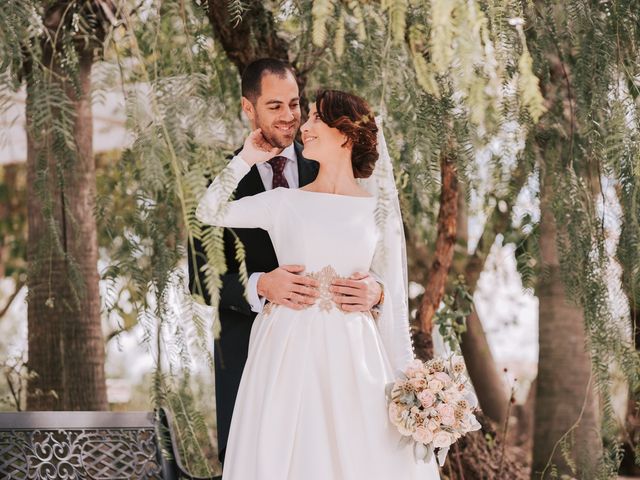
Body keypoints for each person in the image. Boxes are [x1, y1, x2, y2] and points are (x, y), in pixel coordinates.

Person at [196, 89, 440, 479]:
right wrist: (246, 158)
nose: (302, 127)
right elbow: (208, 210)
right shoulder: (283, 201)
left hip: (355, 350)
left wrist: (376, 293)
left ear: (345, 135)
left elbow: (390, 287)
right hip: (286, 346)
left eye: (314, 119)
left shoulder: (377, 213)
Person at [187, 59, 384, 469]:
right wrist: (260, 284)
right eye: (275, 106)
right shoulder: (229, 174)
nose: (292, 118)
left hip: (346, 350)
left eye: (297, 105)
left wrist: (377, 290)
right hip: (263, 349)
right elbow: (198, 272)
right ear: (249, 108)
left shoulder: (328, 162)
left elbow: (377, 258)